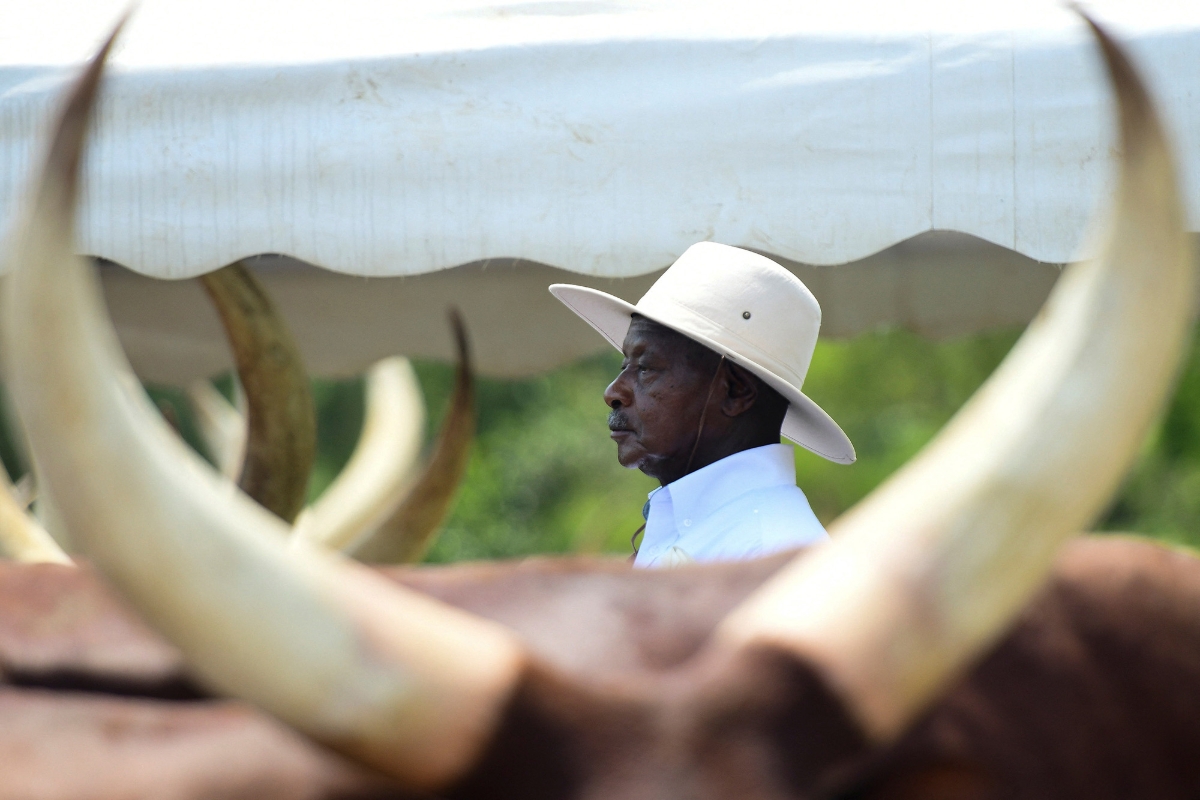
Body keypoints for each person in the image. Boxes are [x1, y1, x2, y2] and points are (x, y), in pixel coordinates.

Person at [549, 241, 854, 568]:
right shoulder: (728, 535)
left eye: (646, 368)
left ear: (736, 391)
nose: (613, 391)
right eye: (625, 365)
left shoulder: (772, 553)